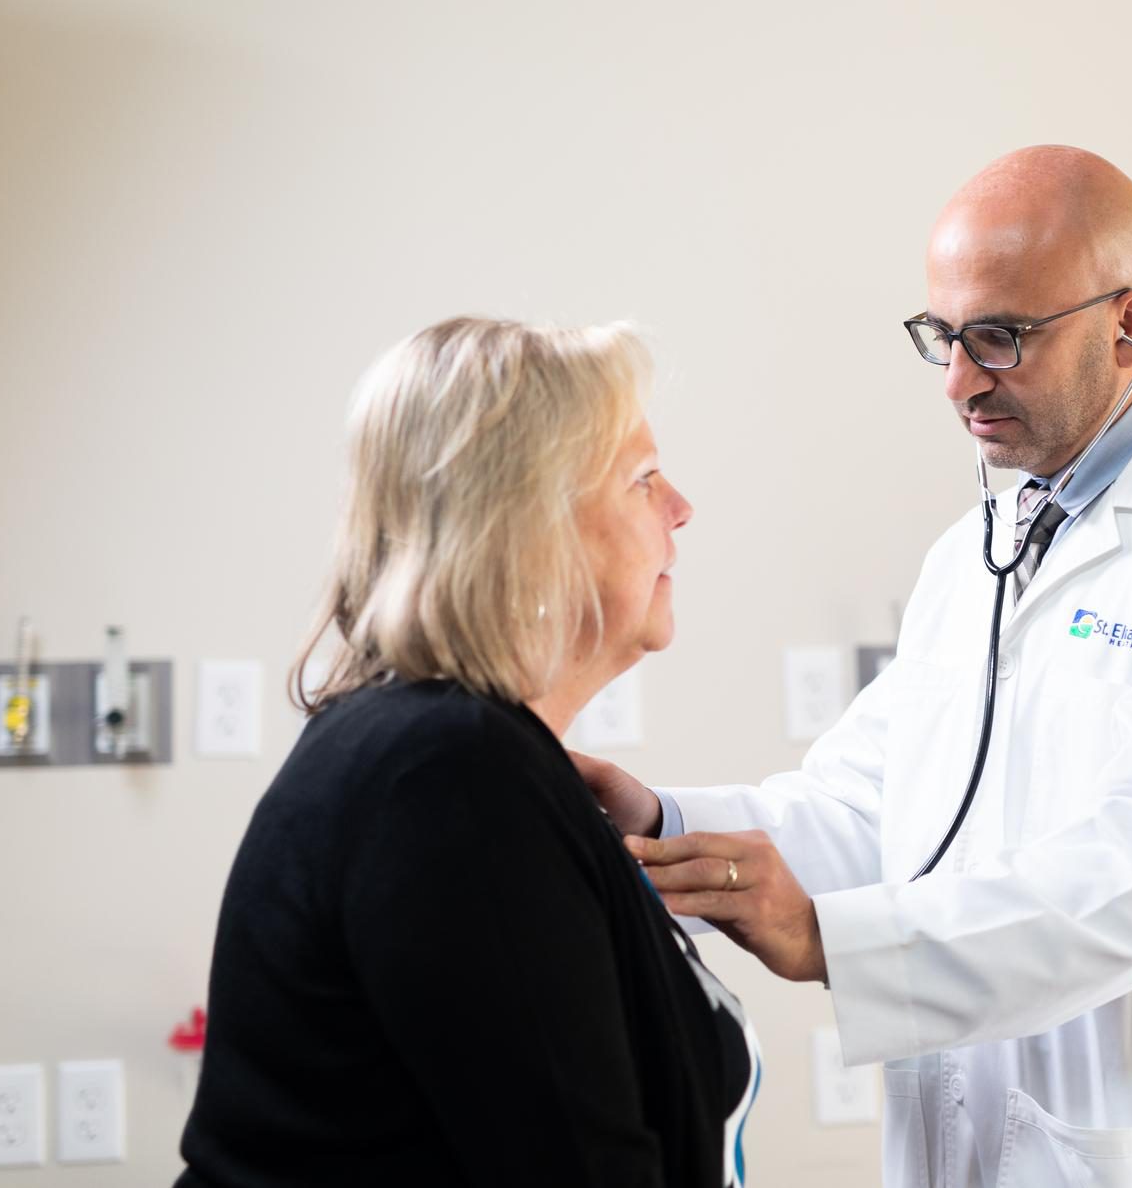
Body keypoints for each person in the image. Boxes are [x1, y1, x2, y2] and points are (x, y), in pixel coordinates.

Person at [575, 147, 1132, 1188]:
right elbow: (878, 807)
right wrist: (662, 821)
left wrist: (834, 939)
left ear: (1128, 325)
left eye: (999, 337)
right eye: (941, 337)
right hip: (968, 1140)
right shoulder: (976, 552)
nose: (959, 381)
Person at [177, 317, 761, 1188]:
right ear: (529, 532)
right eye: (641, 479)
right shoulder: (449, 778)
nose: (680, 507)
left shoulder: (457, 756)